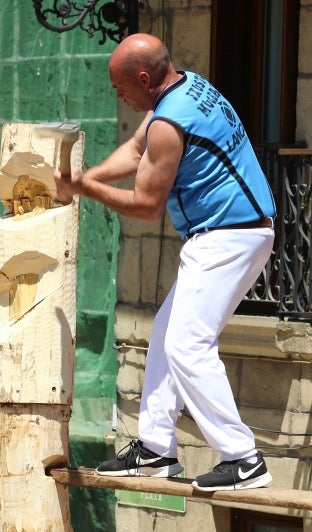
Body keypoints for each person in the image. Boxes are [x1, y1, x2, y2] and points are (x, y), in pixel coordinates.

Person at [53, 34, 276, 492]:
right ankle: (155, 449)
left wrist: (84, 191)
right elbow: (136, 154)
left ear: (142, 78)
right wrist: (82, 177)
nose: (118, 95)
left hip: (227, 237)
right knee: (166, 337)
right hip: (234, 232)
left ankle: (243, 458)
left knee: (188, 345)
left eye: (120, 87)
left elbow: (147, 205)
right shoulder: (186, 86)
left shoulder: (168, 123)